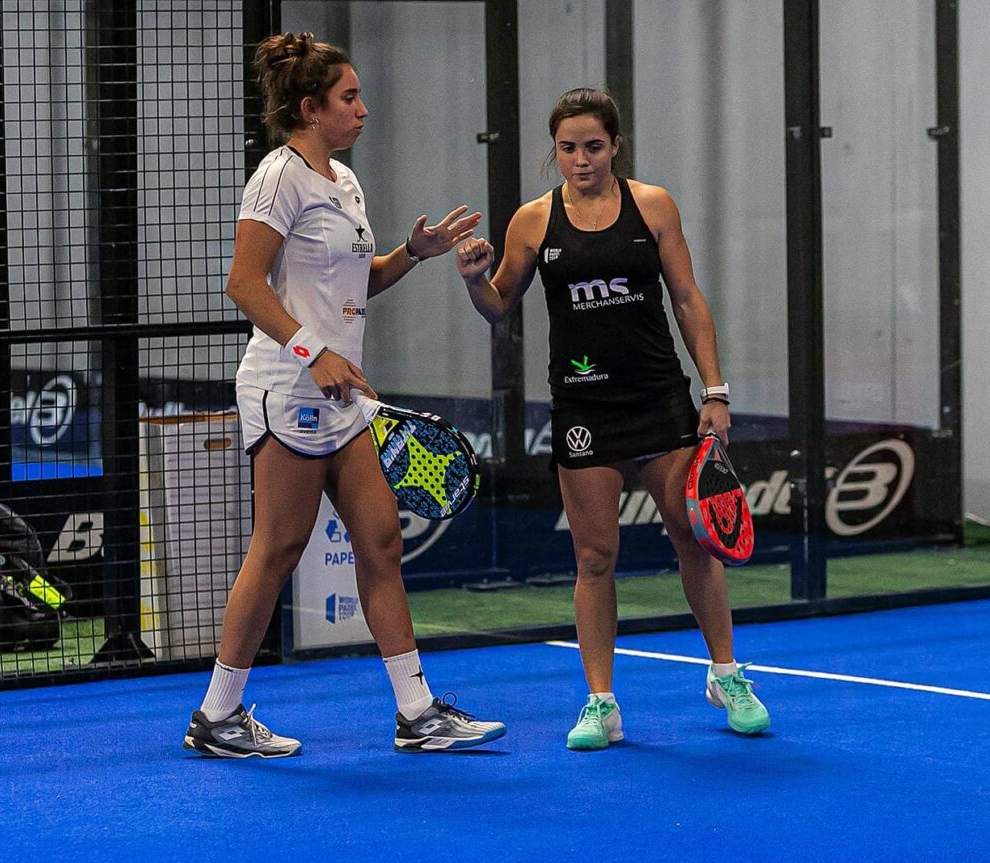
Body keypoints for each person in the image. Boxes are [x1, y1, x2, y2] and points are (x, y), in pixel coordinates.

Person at [184, 32, 506, 759]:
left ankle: (417, 712)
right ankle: (217, 716)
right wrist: (312, 350)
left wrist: (413, 254)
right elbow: (243, 283)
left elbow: (357, 284)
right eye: (349, 98)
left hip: (343, 395)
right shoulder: (278, 177)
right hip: (287, 387)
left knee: (381, 541)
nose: (363, 109)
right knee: (278, 547)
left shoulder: (345, 182)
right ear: (311, 108)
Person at [453, 87, 771, 750]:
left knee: (692, 539)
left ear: (615, 145)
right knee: (595, 557)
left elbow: (687, 298)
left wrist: (715, 391)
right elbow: (498, 307)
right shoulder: (532, 222)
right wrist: (474, 279)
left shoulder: (653, 206)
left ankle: (727, 675)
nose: (580, 159)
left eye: (593, 146)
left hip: (659, 399)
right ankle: (602, 703)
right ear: (556, 150)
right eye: (568, 148)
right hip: (583, 409)